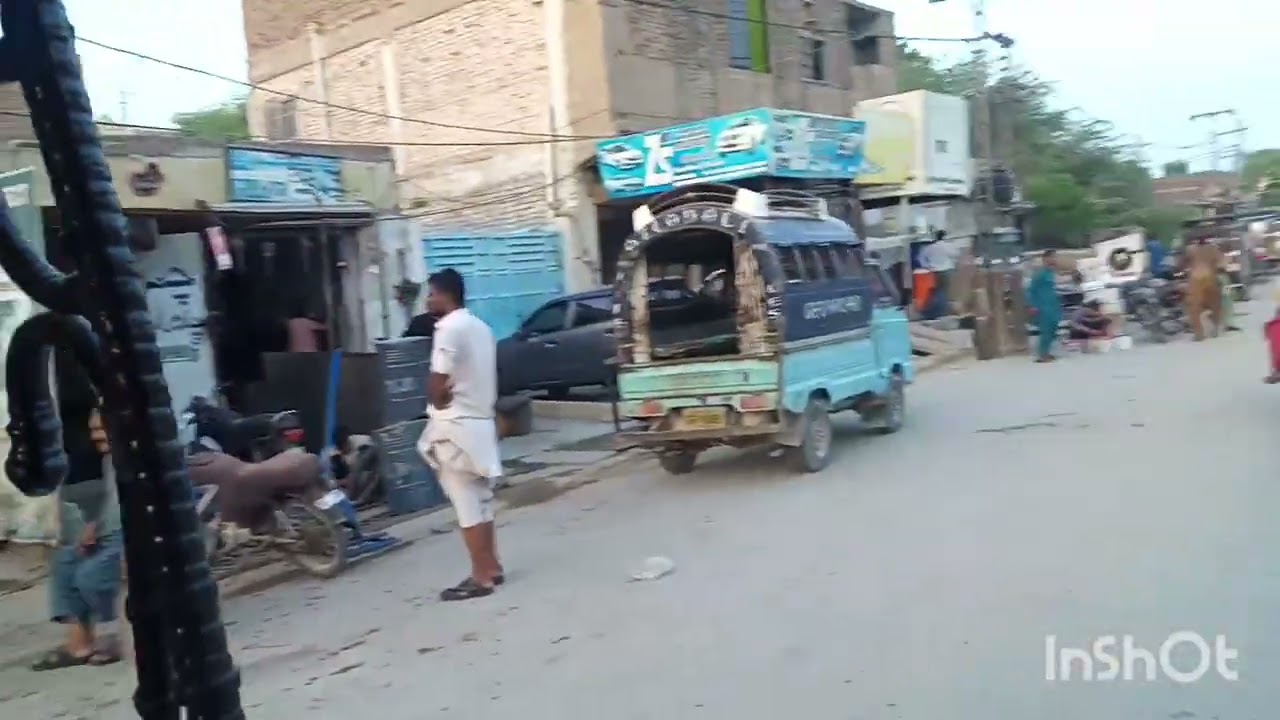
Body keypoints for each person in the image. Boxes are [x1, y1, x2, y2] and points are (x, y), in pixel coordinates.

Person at [32, 350, 124, 670]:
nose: (96, 437)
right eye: (94, 431)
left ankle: (115, 633)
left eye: (101, 431)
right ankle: (79, 642)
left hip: (132, 533)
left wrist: (97, 529)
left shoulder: (138, 459)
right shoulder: (109, 461)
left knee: (91, 574)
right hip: (108, 529)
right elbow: (106, 505)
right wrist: (91, 527)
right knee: (64, 561)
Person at [416, 269, 505, 601]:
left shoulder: (448, 329)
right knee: (482, 500)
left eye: (431, 294)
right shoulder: (480, 327)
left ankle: (480, 577)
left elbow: (437, 384)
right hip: (480, 422)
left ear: (444, 295)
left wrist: (436, 396)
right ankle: (492, 566)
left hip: (456, 425)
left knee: (465, 501)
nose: (428, 300)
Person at [1183, 236, 1224, 341]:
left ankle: (1199, 334)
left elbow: (1185, 262)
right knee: (1214, 304)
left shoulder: (1191, 249)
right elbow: (1220, 262)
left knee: (1194, 307)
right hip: (1210, 277)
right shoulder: (1213, 248)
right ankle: (1215, 329)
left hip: (1196, 278)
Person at [1026, 249, 1063, 363]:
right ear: (1045, 259)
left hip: (1052, 305)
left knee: (1053, 328)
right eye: (1052, 257)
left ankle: (1047, 352)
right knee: (1046, 330)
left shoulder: (1051, 273)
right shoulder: (1040, 273)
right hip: (1042, 306)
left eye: (1055, 257)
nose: (1054, 259)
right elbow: (1030, 290)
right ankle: (1042, 355)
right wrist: (1032, 305)